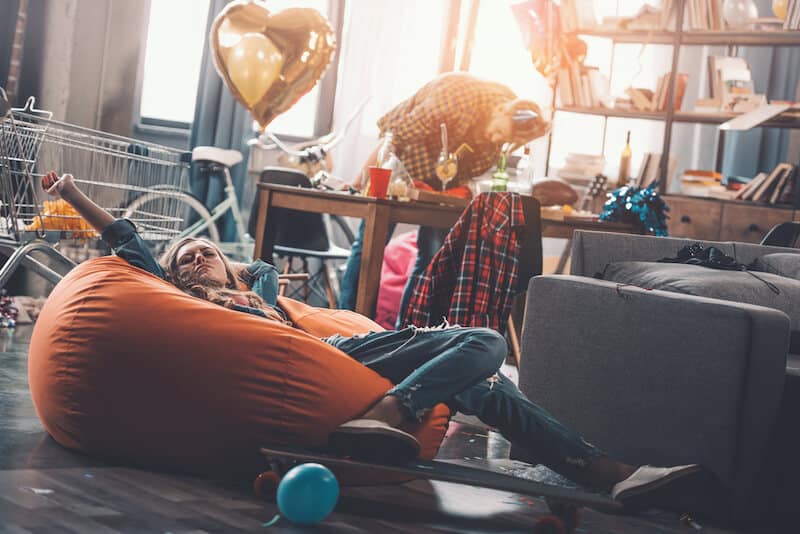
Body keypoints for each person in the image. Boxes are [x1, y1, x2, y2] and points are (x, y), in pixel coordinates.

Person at [42, 171, 712, 513]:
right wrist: (70, 190)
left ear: (231, 262)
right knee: (481, 367)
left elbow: (267, 282)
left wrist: (247, 281)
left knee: (481, 346)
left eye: (204, 252)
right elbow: (125, 243)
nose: (192, 261)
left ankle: (600, 472)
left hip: (333, 357)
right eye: (182, 259)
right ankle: (599, 472)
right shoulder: (177, 297)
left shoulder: (263, 286)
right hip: (308, 362)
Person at [338, 72, 550, 328]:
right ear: (500, 111)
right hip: (403, 157)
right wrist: (362, 178)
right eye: (497, 132)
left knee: (431, 259)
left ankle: (406, 331)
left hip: (441, 180)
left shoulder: (506, 125)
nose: (495, 140)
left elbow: (471, 171)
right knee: (369, 245)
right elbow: (395, 137)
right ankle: (347, 325)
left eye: (502, 140)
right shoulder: (455, 98)